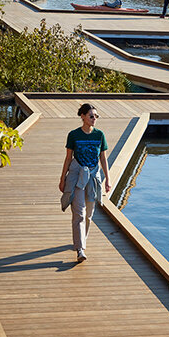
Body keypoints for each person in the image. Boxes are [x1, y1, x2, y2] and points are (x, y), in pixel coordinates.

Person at [59, 104, 112, 263]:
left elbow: (103, 158)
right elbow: (68, 158)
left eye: (96, 116)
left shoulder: (99, 135)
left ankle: (82, 240)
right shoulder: (73, 135)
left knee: (89, 214)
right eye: (91, 116)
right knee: (79, 213)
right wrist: (62, 179)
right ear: (82, 116)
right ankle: (80, 248)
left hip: (93, 175)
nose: (94, 119)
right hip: (77, 175)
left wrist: (107, 179)